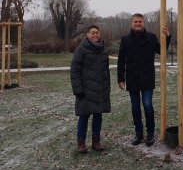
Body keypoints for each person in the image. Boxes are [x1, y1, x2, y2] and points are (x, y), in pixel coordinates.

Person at [117, 13, 170, 146]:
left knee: (147, 105)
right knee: (135, 107)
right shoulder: (125, 40)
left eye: (139, 21)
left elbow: (161, 51)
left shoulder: (151, 38)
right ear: (131, 23)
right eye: (135, 22)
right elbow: (121, 61)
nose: (137, 24)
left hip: (147, 77)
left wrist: (167, 37)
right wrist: (120, 78)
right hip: (132, 77)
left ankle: (150, 133)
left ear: (143, 22)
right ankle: (138, 133)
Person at [70, 24, 111, 153]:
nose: (95, 35)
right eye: (92, 33)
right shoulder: (81, 50)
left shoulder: (103, 50)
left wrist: (107, 87)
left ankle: (96, 141)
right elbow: (74, 71)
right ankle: (81, 143)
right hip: (85, 90)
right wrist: (77, 89)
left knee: (98, 116)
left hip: (99, 90)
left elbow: (106, 71)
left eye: (97, 33)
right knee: (84, 116)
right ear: (87, 34)